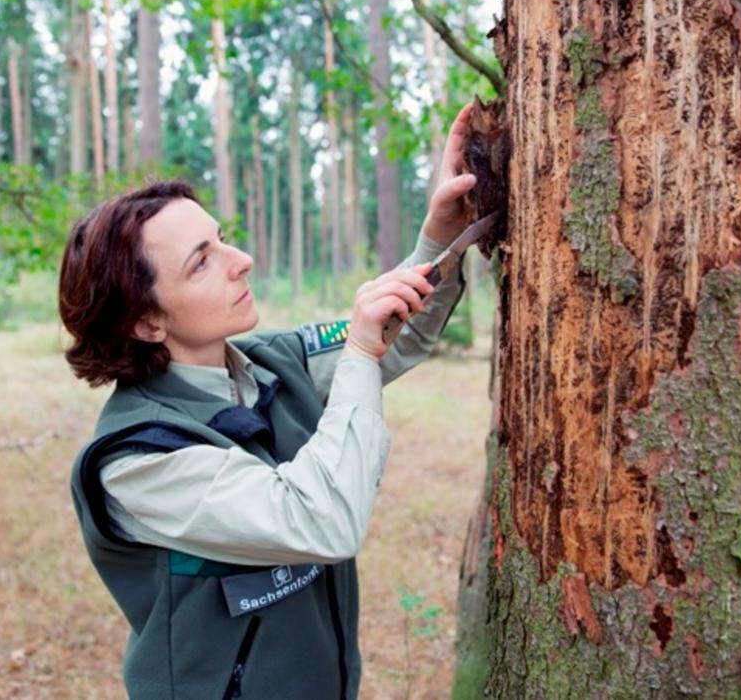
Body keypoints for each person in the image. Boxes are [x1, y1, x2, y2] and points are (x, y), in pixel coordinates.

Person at [59, 103, 489, 699]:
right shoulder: (139, 461)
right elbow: (320, 521)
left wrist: (441, 232)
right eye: (202, 262)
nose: (242, 262)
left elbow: (401, 332)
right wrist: (359, 356)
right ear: (148, 321)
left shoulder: (271, 363)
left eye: (222, 239)